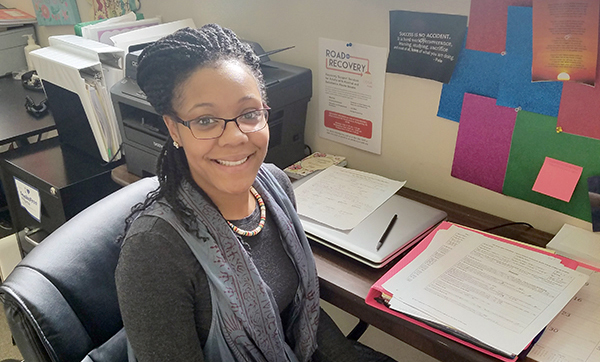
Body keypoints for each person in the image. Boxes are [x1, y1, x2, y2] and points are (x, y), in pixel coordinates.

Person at [115, 24, 397, 362]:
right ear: (174, 128)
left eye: (249, 114)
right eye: (206, 120)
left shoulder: (274, 186)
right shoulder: (153, 252)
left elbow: (304, 314)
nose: (235, 137)